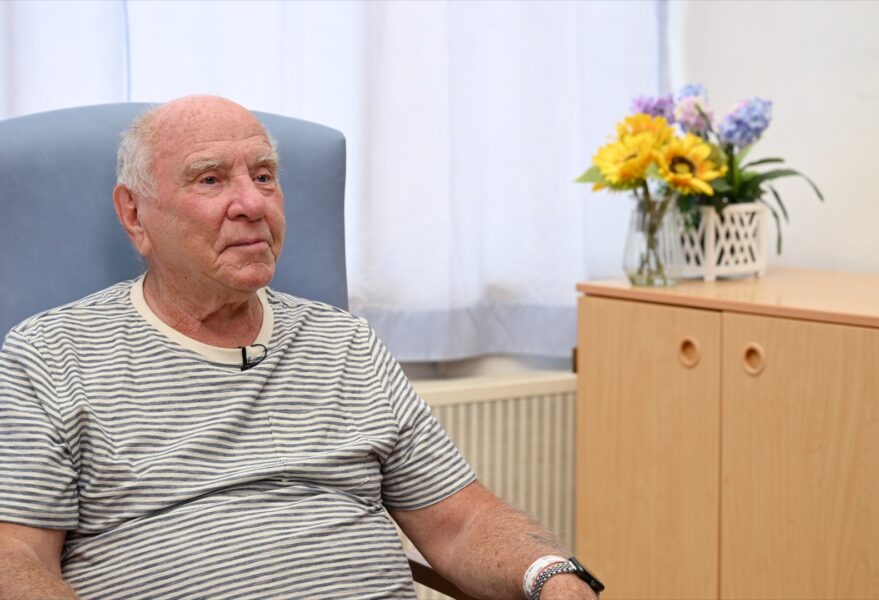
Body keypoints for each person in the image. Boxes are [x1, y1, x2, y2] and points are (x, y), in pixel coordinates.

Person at [0, 96, 602, 599]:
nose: (253, 204)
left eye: (264, 176)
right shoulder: (51, 355)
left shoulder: (344, 342)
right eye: (210, 179)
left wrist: (553, 577)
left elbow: (461, 521)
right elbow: (17, 557)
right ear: (134, 215)